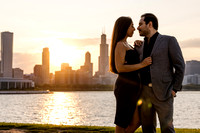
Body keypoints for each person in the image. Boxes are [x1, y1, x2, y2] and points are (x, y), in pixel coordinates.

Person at [135, 13, 185, 133]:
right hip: (144, 94)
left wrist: (174, 89)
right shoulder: (140, 46)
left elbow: (180, 65)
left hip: (164, 92)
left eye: (140, 24)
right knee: (147, 129)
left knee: (167, 129)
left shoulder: (169, 40)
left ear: (150, 24)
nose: (138, 27)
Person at [109, 16, 152, 133]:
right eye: (132, 26)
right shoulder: (119, 45)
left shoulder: (127, 45)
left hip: (133, 88)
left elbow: (132, 60)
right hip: (124, 88)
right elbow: (120, 67)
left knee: (137, 120)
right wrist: (142, 64)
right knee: (121, 121)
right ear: (124, 27)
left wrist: (138, 45)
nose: (134, 29)